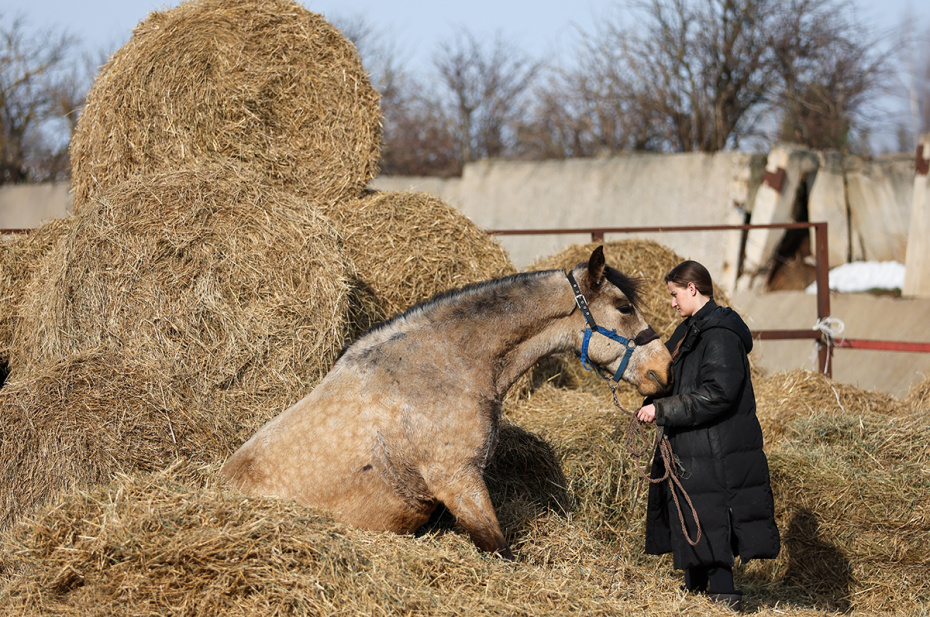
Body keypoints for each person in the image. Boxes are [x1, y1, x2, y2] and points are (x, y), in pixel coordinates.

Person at [636, 260, 780, 612]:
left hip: (716, 445)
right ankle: (697, 594)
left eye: (674, 295)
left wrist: (664, 411)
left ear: (692, 289)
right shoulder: (691, 330)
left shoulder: (719, 334)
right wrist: (651, 397)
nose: (671, 303)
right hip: (693, 441)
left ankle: (725, 598)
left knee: (709, 513)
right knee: (690, 512)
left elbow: (718, 393)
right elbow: (674, 378)